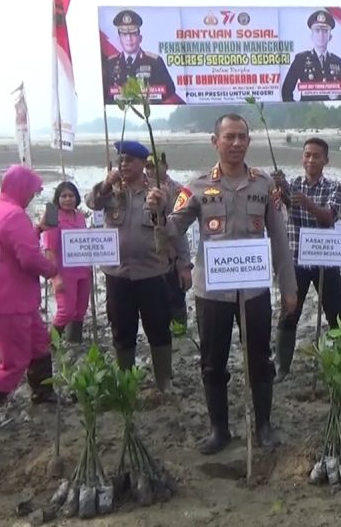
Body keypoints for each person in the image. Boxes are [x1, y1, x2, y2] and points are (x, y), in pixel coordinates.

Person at [151, 113, 297, 454]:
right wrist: (157, 213)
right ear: (215, 141)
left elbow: (279, 239)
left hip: (255, 291)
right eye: (229, 137)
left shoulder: (264, 186)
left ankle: (263, 425)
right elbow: (172, 229)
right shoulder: (197, 187)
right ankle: (219, 429)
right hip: (212, 292)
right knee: (213, 362)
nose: (235, 143)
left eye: (242, 137)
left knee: (260, 359)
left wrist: (288, 287)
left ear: (249, 141)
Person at [86, 140, 188, 391]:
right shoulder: (111, 192)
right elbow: (91, 202)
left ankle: (164, 381)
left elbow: (176, 230)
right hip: (118, 274)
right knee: (122, 329)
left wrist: (184, 264)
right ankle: (126, 383)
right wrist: (106, 184)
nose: (123, 165)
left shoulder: (158, 192)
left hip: (153, 272)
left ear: (143, 164)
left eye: (129, 160)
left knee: (158, 328)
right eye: (120, 160)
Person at [271, 137, 341, 381]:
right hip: (296, 260)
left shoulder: (334, 187)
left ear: (326, 159)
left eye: (316, 156)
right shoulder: (293, 183)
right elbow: (286, 206)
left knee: (336, 313)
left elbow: (328, 217)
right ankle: (282, 367)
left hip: (325, 258)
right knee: (289, 312)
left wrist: (306, 202)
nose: (311, 160)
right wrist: (281, 189)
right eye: (307, 155)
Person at [0, 166, 59, 411]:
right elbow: (28, 258)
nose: (32, 197)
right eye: (32, 192)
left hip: (12, 298)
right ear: (21, 188)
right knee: (13, 362)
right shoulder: (14, 215)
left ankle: (43, 392)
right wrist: (51, 269)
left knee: (39, 343)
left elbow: (11, 243)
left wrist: (36, 230)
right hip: (10, 300)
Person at [147, 152, 192, 331]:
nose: (152, 171)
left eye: (156, 166)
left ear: (166, 166)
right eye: (149, 167)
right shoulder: (139, 188)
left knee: (176, 300)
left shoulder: (179, 191)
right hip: (147, 259)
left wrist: (184, 264)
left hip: (171, 256)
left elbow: (180, 231)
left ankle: (181, 337)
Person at [42, 181, 92, 343]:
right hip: (64, 272)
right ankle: (49, 346)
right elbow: (49, 249)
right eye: (64, 196)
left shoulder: (79, 216)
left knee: (80, 310)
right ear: (58, 198)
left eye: (71, 196)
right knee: (66, 311)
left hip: (83, 270)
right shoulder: (52, 216)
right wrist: (55, 278)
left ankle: (74, 343)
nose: (68, 199)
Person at [103, 9, 177, 104]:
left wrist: (151, 99)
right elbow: (105, 93)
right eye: (125, 34)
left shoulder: (154, 61)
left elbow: (169, 89)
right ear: (119, 39)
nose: (129, 39)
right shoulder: (110, 63)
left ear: (140, 38)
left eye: (133, 34)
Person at [280, 10, 341, 102]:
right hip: (306, 113)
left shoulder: (337, 62)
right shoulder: (301, 59)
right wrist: (298, 109)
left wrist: (337, 98)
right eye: (317, 31)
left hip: (331, 112)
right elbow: (286, 91)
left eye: (325, 31)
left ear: (330, 36)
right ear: (311, 35)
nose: (321, 35)